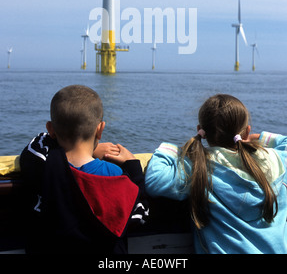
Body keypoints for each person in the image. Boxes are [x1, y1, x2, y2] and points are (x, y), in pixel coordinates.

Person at [145, 94, 287, 254]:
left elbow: (154, 180)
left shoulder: (197, 166)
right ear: (247, 131)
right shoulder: (278, 159)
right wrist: (259, 138)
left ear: (201, 131)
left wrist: (170, 149)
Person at [20, 85, 149, 254]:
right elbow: (141, 213)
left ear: (50, 128)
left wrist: (69, 139)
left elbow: (36, 144)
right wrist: (133, 165)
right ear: (100, 129)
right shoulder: (115, 176)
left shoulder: (44, 166)